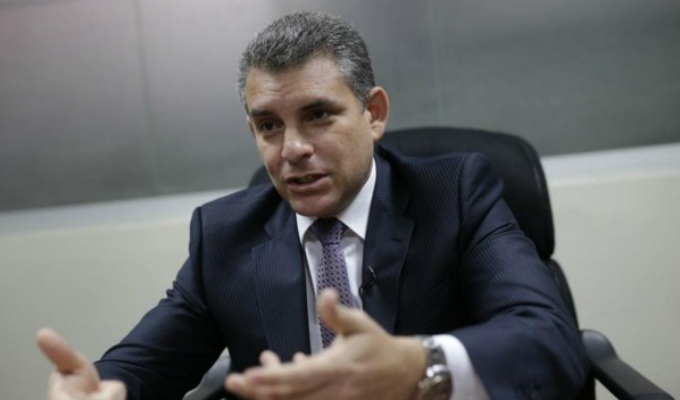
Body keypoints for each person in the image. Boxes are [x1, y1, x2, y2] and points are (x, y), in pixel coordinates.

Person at [37, 11, 587, 400]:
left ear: (373, 114)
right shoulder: (224, 234)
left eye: (318, 115)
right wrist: (100, 387)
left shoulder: (456, 194)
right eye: (269, 126)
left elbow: (548, 341)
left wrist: (419, 364)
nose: (293, 149)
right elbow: (147, 364)